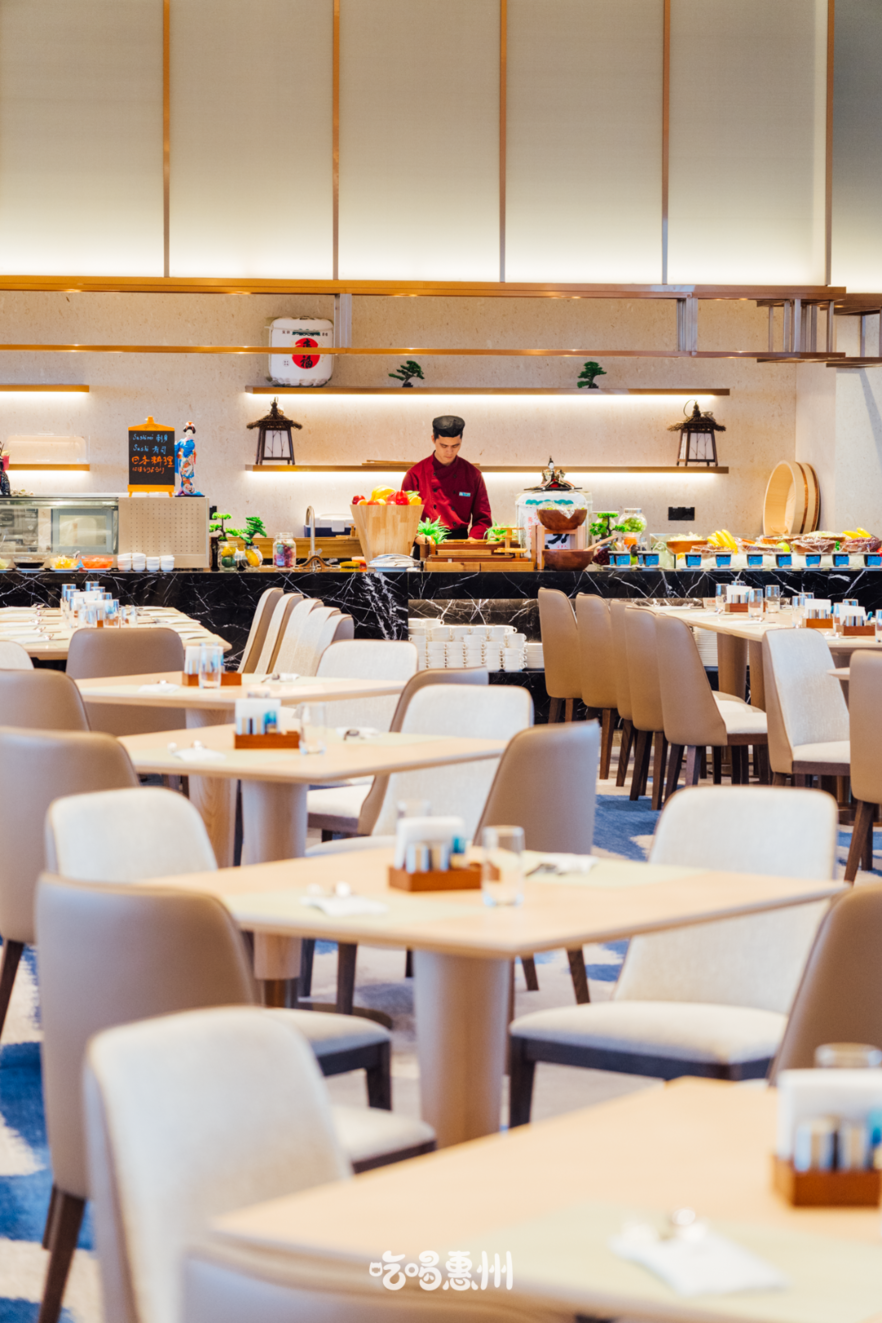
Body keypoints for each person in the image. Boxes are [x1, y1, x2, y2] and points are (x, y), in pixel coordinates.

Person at [402, 416, 493, 540]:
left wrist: (473, 540)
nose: (449, 451)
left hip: (461, 543)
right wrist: (418, 537)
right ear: (433, 439)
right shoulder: (414, 475)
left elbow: (483, 519)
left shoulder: (473, 475)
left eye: (455, 446)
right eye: (444, 446)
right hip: (426, 543)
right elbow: (405, 518)